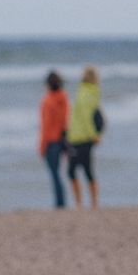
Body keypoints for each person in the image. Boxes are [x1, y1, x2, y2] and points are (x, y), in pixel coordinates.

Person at [67, 65, 103, 209]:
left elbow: (86, 117)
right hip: (78, 136)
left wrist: (93, 135)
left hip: (81, 137)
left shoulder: (84, 93)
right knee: (82, 170)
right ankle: (88, 202)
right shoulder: (90, 92)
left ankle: (85, 203)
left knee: (79, 170)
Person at [39, 70, 70, 209]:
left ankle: (59, 202)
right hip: (62, 139)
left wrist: (42, 145)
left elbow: (45, 125)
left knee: (54, 173)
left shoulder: (47, 101)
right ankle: (61, 201)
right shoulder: (64, 99)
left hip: (51, 140)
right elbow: (66, 121)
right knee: (58, 172)